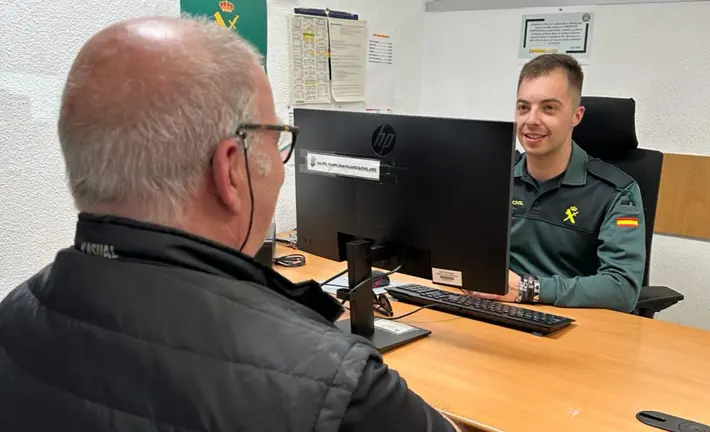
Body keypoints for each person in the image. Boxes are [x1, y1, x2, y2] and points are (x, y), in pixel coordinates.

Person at [0, 16, 459, 432]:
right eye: (277, 138)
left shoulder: (14, 313)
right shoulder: (334, 382)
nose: (281, 168)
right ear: (231, 170)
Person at [468, 53, 646, 313]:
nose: (531, 120)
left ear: (576, 115)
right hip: (494, 314)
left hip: (573, 326)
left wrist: (529, 289)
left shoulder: (617, 193)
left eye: (548, 108)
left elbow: (622, 289)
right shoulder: (493, 176)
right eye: (523, 107)